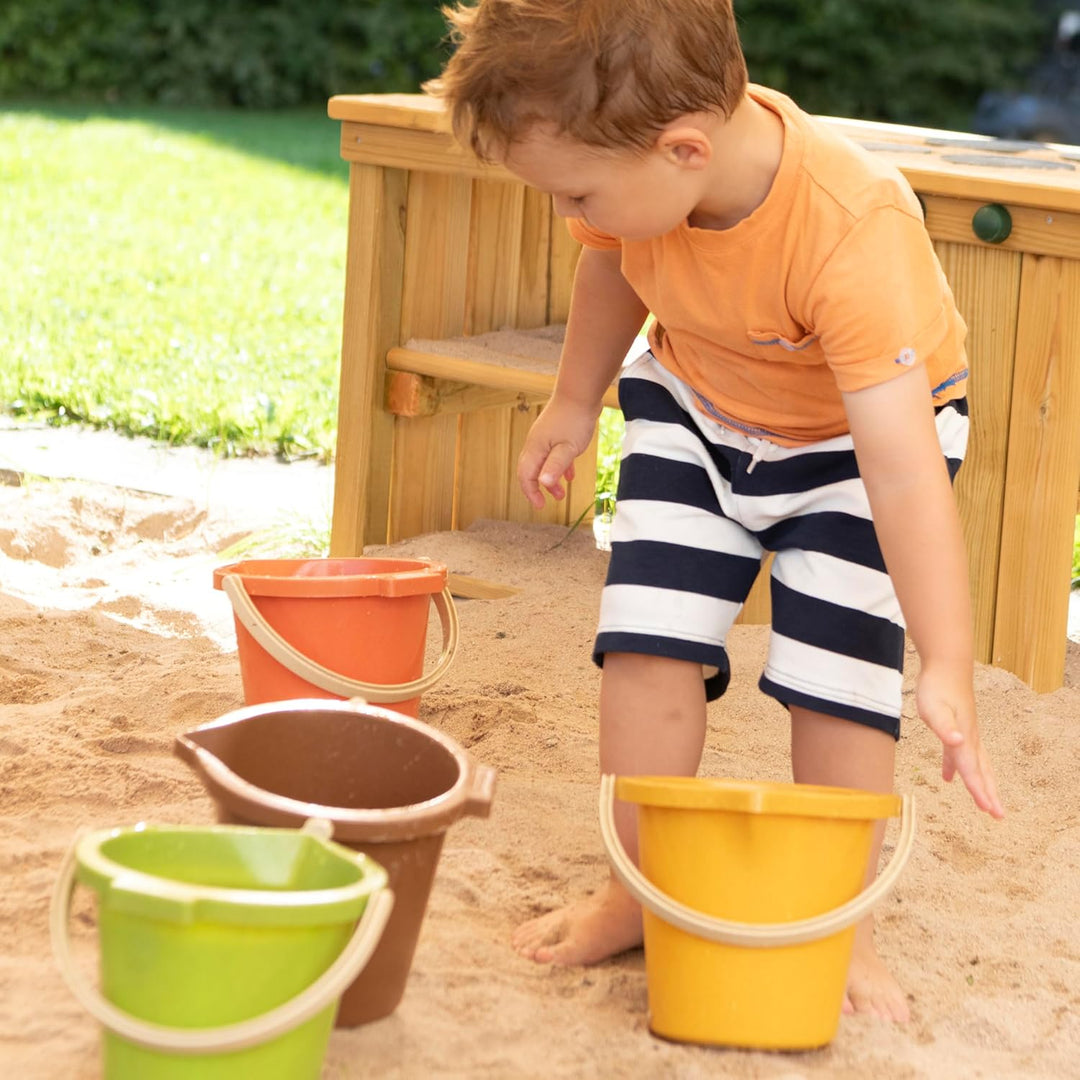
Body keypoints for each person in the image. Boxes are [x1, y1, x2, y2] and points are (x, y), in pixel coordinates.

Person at [430, 0, 1005, 1021]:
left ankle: (838, 926)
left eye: (576, 189)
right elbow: (610, 256)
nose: (570, 208)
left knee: (836, 679)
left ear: (685, 148)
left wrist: (947, 660)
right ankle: (637, 893)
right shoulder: (640, 179)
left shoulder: (851, 234)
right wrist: (574, 398)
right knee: (647, 645)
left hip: (856, 445)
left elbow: (903, 470)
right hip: (699, 405)